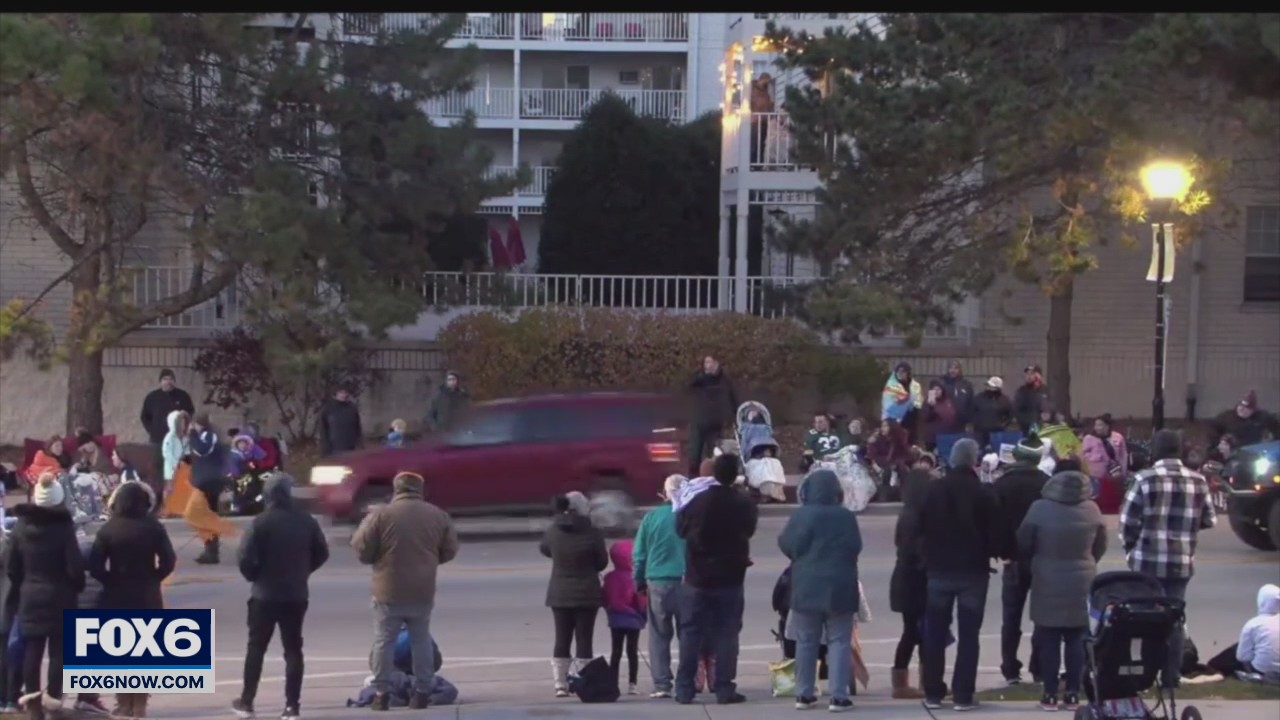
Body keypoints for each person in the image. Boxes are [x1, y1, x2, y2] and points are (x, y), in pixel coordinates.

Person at [352, 472, 458, 711]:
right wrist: (430, 561)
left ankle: (381, 693)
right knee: (420, 640)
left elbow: (361, 548)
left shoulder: (380, 515)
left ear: (396, 489)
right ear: (420, 489)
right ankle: (422, 691)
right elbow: (450, 549)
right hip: (422, 588)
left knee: (384, 641)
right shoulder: (437, 515)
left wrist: (376, 559)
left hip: (387, 589)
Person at [1120, 429, 1216, 689]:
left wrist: (1130, 548)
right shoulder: (1198, 481)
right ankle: (1170, 677)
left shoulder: (1144, 479)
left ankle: (1146, 675)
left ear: (1155, 451)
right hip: (1180, 561)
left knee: (1146, 619)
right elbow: (1209, 519)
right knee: (1174, 620)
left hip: (1146, 561)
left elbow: (1128, 522)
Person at [232, 473, 330, 720]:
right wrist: (305, 571)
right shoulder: (306, 521)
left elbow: (244, 557)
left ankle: (247, 701)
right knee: (293, 649)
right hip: (296, 593)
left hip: (264, 593)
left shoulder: (261, 522)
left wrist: (255, 575)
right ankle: (292, 706)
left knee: (256, 648)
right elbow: (322, 552)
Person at [917, 439, 1000, 712]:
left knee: (935, 634)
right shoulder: (982, 492)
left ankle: (933, 691)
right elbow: (996, 532)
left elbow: (919, 528)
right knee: (969, 635)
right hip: (973, 571)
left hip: (939, 569)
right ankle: (963, 693)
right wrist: (1001, 551)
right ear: (974, 460)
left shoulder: (933, 490)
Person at [1016, 465, 1107, 711]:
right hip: (1082, 579)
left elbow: (1024, 542)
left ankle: (1049, 692)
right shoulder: (1092, 510)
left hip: (1047, 576)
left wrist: (1034, 562)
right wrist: (1087, 562)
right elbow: (1100, 545)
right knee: (1077, 638)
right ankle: (1074, 692)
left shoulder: (1039, 509)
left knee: (1049, 637)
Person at [674, 454, 758, 705]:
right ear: (735, 474)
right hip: (730, 577)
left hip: (697, 577)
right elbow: (749, 531)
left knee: (690, 632)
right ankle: (724, 687)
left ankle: (684, 688)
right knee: (727, 633)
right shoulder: (743, 503)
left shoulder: (697, 502)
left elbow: (680, 529)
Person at [88, 481, 176, 718]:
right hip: (147, 592)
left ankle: (123, 702)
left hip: (116, 592)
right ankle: (140, 705)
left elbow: (95, 565)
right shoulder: (154, 527)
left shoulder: (108, 529)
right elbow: (168, 560)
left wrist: (109, 580)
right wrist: (155, 577)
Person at [778, 470, 862, 713]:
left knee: (806, 641)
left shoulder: (802, 516)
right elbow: (855, 547)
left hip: (806, 586)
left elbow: (787, 544)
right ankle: (839, 696)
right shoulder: (846, 517)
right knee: (839, 641)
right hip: (840, 587)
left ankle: (804, 694)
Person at [7, 475, 85, 719]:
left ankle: (32, 705)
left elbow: (11, 565)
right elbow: (74, 565)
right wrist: (76, 586)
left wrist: (22, 584)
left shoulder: (20, 527)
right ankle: (54, 702)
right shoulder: (63, 527)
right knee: (59, 652)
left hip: (29, 593)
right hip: (61, 595)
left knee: (32, 648)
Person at [992, 441, 1051, 686]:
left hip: (1012, 557)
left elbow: (993, 520)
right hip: (1041, 556)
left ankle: (1010, 669)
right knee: (1042, 615)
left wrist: (999, 550)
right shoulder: (1046, 483)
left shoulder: (1002, 484)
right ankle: (1038, 666)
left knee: (1011, 617)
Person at [540, 491, 607, 697]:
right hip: (587, 592)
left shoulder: (553, 530)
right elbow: (601, 562)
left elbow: (545, 549)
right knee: (584, 639)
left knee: (562, 638)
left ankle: (560, 683)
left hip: (559, 592)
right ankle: (583, 681)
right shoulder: (593, 532)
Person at [631, 475, 687, 698]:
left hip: (658, 581)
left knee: (659, 634)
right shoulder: (690, 517)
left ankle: (662, 683)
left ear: (664, 493)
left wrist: (639, 581)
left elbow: (639, 554)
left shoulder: (651, 518)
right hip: (687, 581)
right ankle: (687, 679)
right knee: (688, 634)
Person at [889, 452, 937, 699]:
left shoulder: (907, 514)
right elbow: (916, 550)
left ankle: (909, 680)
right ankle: (920, 681)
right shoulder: (919, 517)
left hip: (905, 579)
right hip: (916, 580)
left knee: (914, 631)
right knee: (918, 632)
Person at [1206, 584, 1280, 683]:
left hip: (1260, 669)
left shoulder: (1253, 624)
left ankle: (1213, 666)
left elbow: (1242, 657)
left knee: (1237, 648)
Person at [602, 540, 646, 696]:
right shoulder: (635, 578)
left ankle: (613, 682)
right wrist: (642, 615)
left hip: (615, 619)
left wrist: (609, 610)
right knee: (632, 651)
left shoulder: (609, 578)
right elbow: (641, 600)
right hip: (633, 620)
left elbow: (605, 597)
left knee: (616, 651)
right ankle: (632, 683)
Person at [188, 413, 231, 565]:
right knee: (203, 515)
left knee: (203, 515)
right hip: (203, 481)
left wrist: (192, 435)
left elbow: (202, 450)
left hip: (209, 482)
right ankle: (210, 548)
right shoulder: (204, 437)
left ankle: (212, 550)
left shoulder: (209, 436)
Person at [686, 356, 739, 477]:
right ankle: (693, 481)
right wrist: (701, 376)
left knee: (714, 455)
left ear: (717, 363)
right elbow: (688, 386)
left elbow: (734, 399)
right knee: (694, 456)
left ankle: (713, 481)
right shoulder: (700, 379)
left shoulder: (725, 381)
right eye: (705, 362)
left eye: (710, 362)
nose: (707, 365)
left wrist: (735, 416)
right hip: (699, 422)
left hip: (715, 424)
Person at [1081, 414, 1128, 508]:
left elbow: (1123, 455)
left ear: (1107, 426)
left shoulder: (1118, 437)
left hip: (1115, 473)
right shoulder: (1089, 438)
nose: (1097, 428)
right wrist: (1097, 456)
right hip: (1096, 475)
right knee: (1096, 499)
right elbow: (1084, 455)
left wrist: (1123, 471)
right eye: (1096, 425)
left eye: (1100, 425)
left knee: (1114, 498)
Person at [1210, 391, 1279, 448]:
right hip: (1233, 452)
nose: (1242, 409)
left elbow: (1276, 427)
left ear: (1253, 410)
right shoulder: (1226, 417)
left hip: (1253, 451)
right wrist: (1219, 443)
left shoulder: (1261, 417)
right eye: (1240, 406)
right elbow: (1212, 431)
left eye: (1246, 408)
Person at [881, 362, 923, 445]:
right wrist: (901, 402)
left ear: (908, 373)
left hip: (910, 419)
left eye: (903, 372)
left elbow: (918, 401)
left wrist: (912, 404)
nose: (900, 374)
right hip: (893, 421)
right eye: (898, 372)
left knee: (910, 444)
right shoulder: (891, 386)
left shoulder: (915, 386)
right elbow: (887, 403)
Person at [319, 387, 363, 458]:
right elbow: (323, 429)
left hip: (351, 447)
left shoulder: (352, 408)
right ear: (336, 394)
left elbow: (357, 427)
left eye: (345, 392)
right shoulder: (328, 409)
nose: (343, 395)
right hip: (334, 448)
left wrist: (359, 443)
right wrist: (325, 447)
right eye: (341, 392)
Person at [971, 377, 1014, 449]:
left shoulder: (1004, 400)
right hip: (980, 433)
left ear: (998, 388)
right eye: (988, 385)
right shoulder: (979, 398)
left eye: (991, 386)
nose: (988, 388)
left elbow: (1010, 415)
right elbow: (972, 411)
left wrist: (1003, 425)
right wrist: (975, 423)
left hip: (997, 433)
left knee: (997, 451)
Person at [922, 380, 962, 451]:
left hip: (946, 436)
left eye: (938, 389)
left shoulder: (948, 401)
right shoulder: (927, 403)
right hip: (932, 438)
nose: (936, 391)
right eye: (934, 390)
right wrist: (931, 407)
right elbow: (926, 417)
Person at [1013, 365, 1051, 434]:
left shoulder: (1043, 390)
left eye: (1032, 374)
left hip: (1040, 426)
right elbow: (1016, 408)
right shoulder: (1021, 391)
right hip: (1024, 427)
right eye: (1027, 374)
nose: (1029, 376)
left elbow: (1048, 406)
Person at [940, 361, 976, 429]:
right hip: (945, 421)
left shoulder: (966, 385)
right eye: (951, 368)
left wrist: (970, 422)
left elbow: (971, 404)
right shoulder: (942, 384)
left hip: (962, 422)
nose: (953, 371)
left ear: (960, 370)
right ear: (947, 370)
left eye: (956, 368)